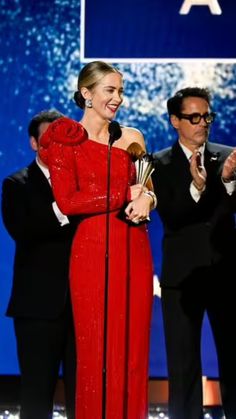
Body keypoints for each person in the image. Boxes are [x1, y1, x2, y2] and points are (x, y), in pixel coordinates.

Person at [38, 61, 155, 419]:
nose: (118, 98)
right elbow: (68, 201)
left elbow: (149, 188)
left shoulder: (132, 137)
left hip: (134, 248)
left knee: (133, 350)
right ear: (86, 94)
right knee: (95, 352)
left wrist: (148, 199)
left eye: (121, 91)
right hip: (90, 251)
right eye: (110, 90)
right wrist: (121, 195)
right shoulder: (64, 139)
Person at [151, 86, 236, 419]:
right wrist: (197, 188)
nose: (203, 124)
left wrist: (228, 183)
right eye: (194, 117)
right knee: (183, 363)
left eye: (207, 116)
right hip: (182, 278)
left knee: (233, 356)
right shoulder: (157, 163)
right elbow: (172, 216)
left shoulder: (228, 156)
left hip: (225, 272)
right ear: (175, 120)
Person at [1, 110, 77, 419]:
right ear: (34, 143)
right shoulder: (16, 183)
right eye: (47, 140)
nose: (55, 146)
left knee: (83, 394)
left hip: (82, 308)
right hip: (36, 309)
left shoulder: (83, 181)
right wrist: (64, 207)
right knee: (36, 394)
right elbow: (23, 230)